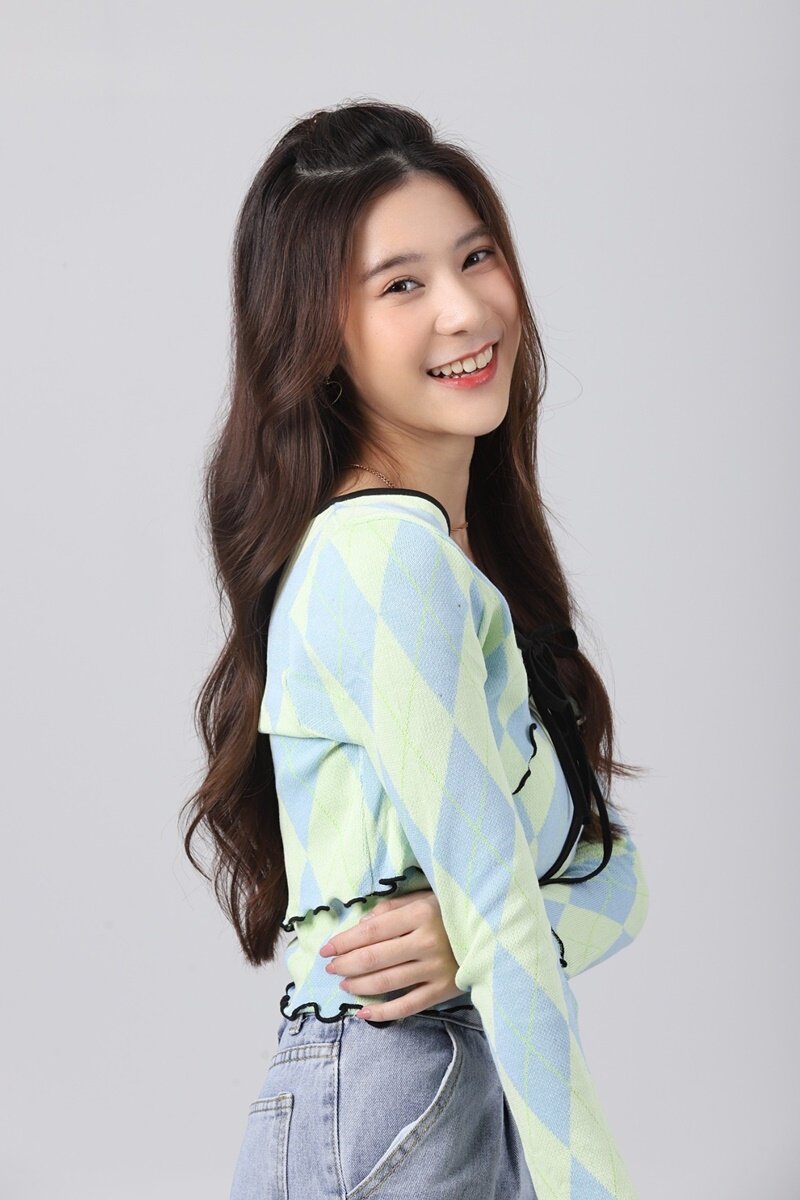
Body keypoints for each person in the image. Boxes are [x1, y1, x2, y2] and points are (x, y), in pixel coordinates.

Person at [181, 98, 650, 1199]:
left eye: (476, 258)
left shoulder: (452, 565)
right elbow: (504, 906)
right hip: (403, 1085)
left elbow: (613, 875)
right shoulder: (384, 561)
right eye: (400, 285)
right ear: (318, 339)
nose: (464, 309)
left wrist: (476, 932)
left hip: (428, 1082)